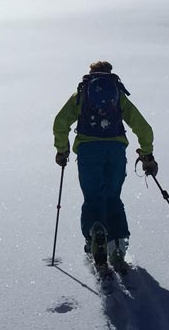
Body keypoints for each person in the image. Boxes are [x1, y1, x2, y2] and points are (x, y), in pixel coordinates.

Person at [53, 60, 157, 275]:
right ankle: (117, 246)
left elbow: (60, 122)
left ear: (90, 73)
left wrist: (62, 150)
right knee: (113, 196)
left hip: (88, 150)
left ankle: (95, 235)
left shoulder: (82, 93)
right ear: (110, 73)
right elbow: (142, 127)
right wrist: (147, 154)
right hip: (116, 150)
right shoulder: (117, 93)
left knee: (93, 197)